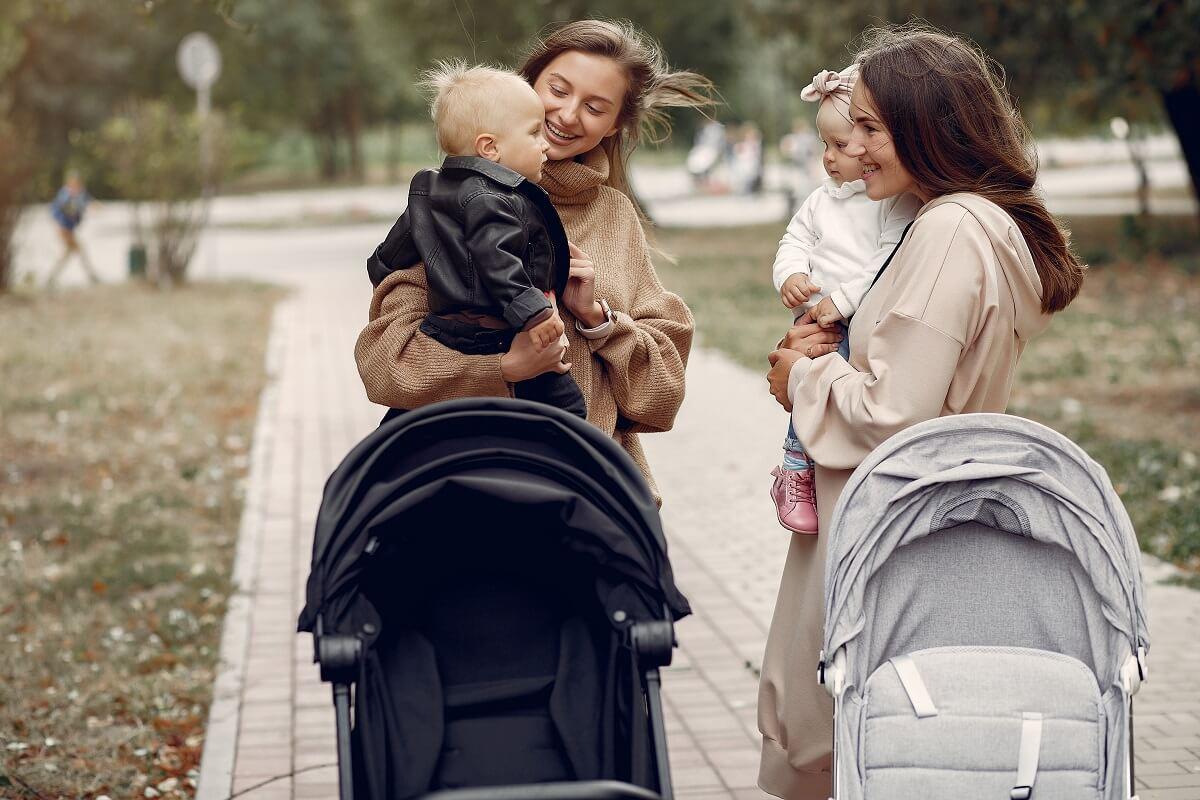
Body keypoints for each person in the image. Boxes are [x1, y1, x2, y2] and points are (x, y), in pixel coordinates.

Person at [757, 23, 1085, 799]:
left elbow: (894, 415)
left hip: (883, 519)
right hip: (910, 516)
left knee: (849, 738)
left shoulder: (949, 230)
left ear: (928, 125)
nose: (854, 145)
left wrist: (797, 378)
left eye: (872, 126)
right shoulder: (964, 225)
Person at [355, 19, 715, 503]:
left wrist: (598, 319)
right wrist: (501, 367)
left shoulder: (615, 216)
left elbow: (661, 396)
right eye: (558, 90)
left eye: (594, 107)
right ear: (528, 84)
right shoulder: (453, 201)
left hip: (588, 495)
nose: (567, 115)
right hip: (461, 484)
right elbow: (384, 362)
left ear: (614, 125)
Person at [367, 62, 585, 419]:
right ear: (490, 147)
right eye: (533, 133)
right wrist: (536, 314)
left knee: (421, 418)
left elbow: (397, 247)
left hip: (444, 329)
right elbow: (497, 261)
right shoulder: (494, 199)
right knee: (567, 409)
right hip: (496, 330)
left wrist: (379, 270)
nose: (544, 144)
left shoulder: (429, 188)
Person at [768, 64, 919, 534]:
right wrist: (790, 273)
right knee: (809, 375)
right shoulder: (821, 200)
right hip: (816, 313)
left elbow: (887, 258)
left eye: (842, 144)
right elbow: (793, 239)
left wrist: (847, 300)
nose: (833, 158)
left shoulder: (893, 203)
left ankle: (819, 461)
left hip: (853, 314)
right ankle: (795, 467)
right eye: (825, 147)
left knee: (833, 383)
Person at [47, 170, 101, 287]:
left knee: (68, 254)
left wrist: (95, 205)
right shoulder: (65, 194)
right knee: (80, 251)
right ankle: (92, 276)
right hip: (64, 229)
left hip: (70, 229)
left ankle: (51, 278)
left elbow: (89, 201)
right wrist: (65, 217)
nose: (76, 185)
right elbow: (56, 210)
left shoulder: (81, 193)